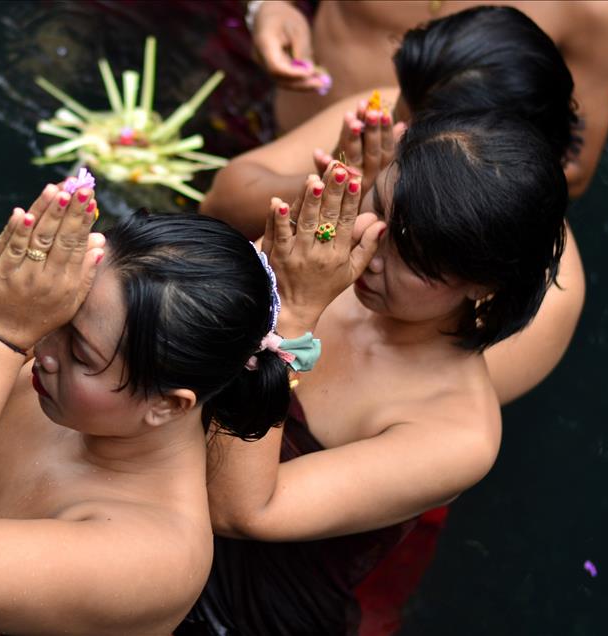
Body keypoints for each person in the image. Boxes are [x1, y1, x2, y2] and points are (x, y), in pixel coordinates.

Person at [0, 182, 307, 634]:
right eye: (59, 313)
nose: (43, 346)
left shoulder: (157, 554)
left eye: (80, 351)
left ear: (167, 405)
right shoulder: (45, 370)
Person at [179, 111, 568, 635]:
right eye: (379, 204)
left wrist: (290, 314)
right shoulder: (328, 252)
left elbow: (240, 511)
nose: (370, 248)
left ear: (483, 285)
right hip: (154, 497)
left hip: (235, 611)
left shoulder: (458, 433)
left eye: (411, 253)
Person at [203, 6, 585, 405]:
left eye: (412, 135)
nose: (392, 140)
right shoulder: (398, 120)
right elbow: (216, 205)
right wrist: (336, 186)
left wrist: (291, 321)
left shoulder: (544, 304)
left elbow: (320, 409)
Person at [249, 0, 608, 196]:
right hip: (258, 125)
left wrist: (408, 192)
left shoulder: (591, 11)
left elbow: (572, 168)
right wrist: (268, 8)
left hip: (408, 220)